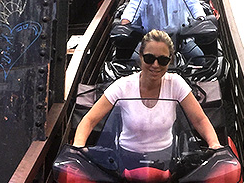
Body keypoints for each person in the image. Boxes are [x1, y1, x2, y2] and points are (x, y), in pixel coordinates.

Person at [73, 30, 220, 161]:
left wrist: (214, 144)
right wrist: (78, 147)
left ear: (170, 61)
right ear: (141, 57)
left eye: (163, 60)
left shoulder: (175, 83)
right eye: (150, 58)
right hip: (126, 158)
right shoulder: (123, 85)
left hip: (165, 160)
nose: (155, 65)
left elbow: (199, 119)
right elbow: (90, 119)